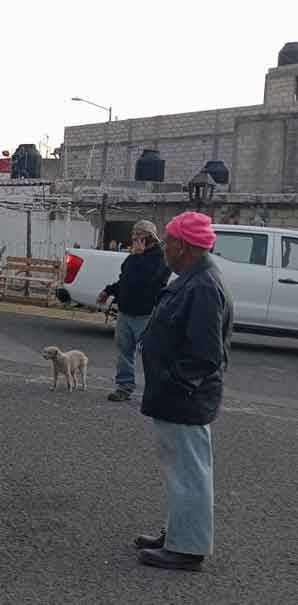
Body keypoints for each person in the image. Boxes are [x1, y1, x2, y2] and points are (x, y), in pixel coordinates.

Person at [134, 211, 232, 572]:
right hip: (179, 394)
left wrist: (175, 383)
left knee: (189, 471)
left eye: (169, 242)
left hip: (185, 397)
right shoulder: (194, 276)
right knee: (181, 469)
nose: (164, 248)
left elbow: (206, 354)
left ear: (184, 247)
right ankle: (179, 533)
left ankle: (188, 548)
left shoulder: (203, 284)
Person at [98, 220, 171, 402]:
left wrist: (138, 256)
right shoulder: (133, 256)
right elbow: (125, 280)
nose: (134, 237)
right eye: (134, 234)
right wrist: (108, 291)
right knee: (124, 351)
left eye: (139, 234)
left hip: (146, 313)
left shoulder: (160, 258)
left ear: (149, 237)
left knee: (151, 354)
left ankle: (158, 390)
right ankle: (124, 386)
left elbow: (147, 282)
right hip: (125, 311)